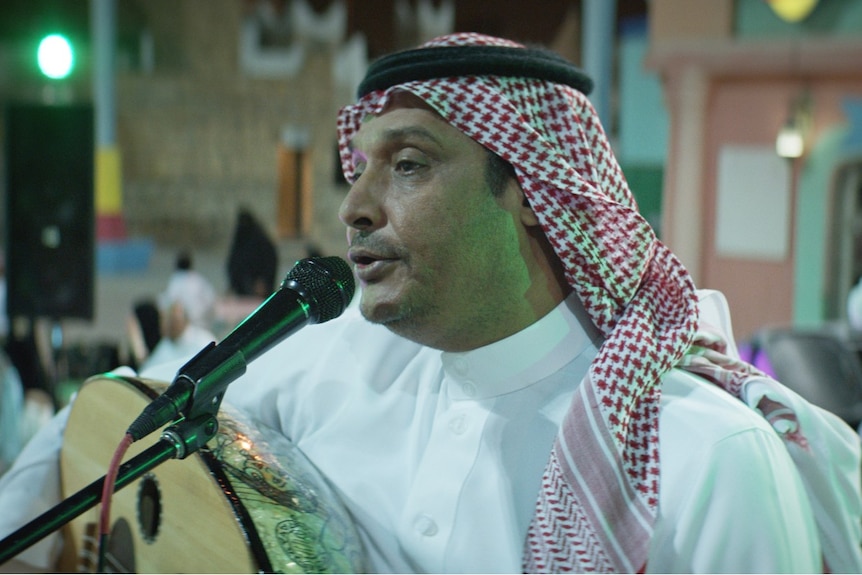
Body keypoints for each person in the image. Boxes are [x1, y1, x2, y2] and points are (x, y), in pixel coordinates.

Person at [1, 32, 861, 573]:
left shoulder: (707, 464)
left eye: (408, 164)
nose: (355, 206)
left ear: (528, 187)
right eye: (360, 167)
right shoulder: (326, 363)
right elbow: (125, 410)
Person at [140, 250, 217, 371]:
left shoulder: (175, 281)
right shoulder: (198, 280)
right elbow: (211, 299)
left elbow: (167, 301)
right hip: (201, 324)